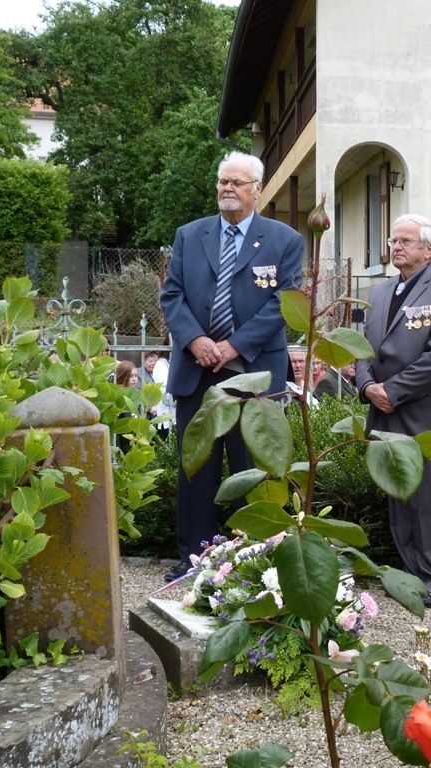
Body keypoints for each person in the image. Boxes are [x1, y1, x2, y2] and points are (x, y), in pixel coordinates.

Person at [160, 151, 303, 581]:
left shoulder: (284, 240)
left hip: (254, 375)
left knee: (251, 472)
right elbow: (173, 296)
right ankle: (194, 561)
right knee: (196, 472)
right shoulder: (190, 235)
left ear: (257, 190)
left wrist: (232, 345)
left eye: (237, 183)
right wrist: (197, 340)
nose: (227, 188)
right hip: (196, 371)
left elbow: (285, 303)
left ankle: (251, 561)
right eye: (223, 181)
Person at [355, 213, 431, 608]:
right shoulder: (379, 292)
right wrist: (368, 385)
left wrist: (394, 390)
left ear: (429, 249)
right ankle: (409, 574)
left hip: (426, 410)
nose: (396, 247)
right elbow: (363, 348)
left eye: (405, 240)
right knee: (397, 493)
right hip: (384, 408)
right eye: (393, 241)